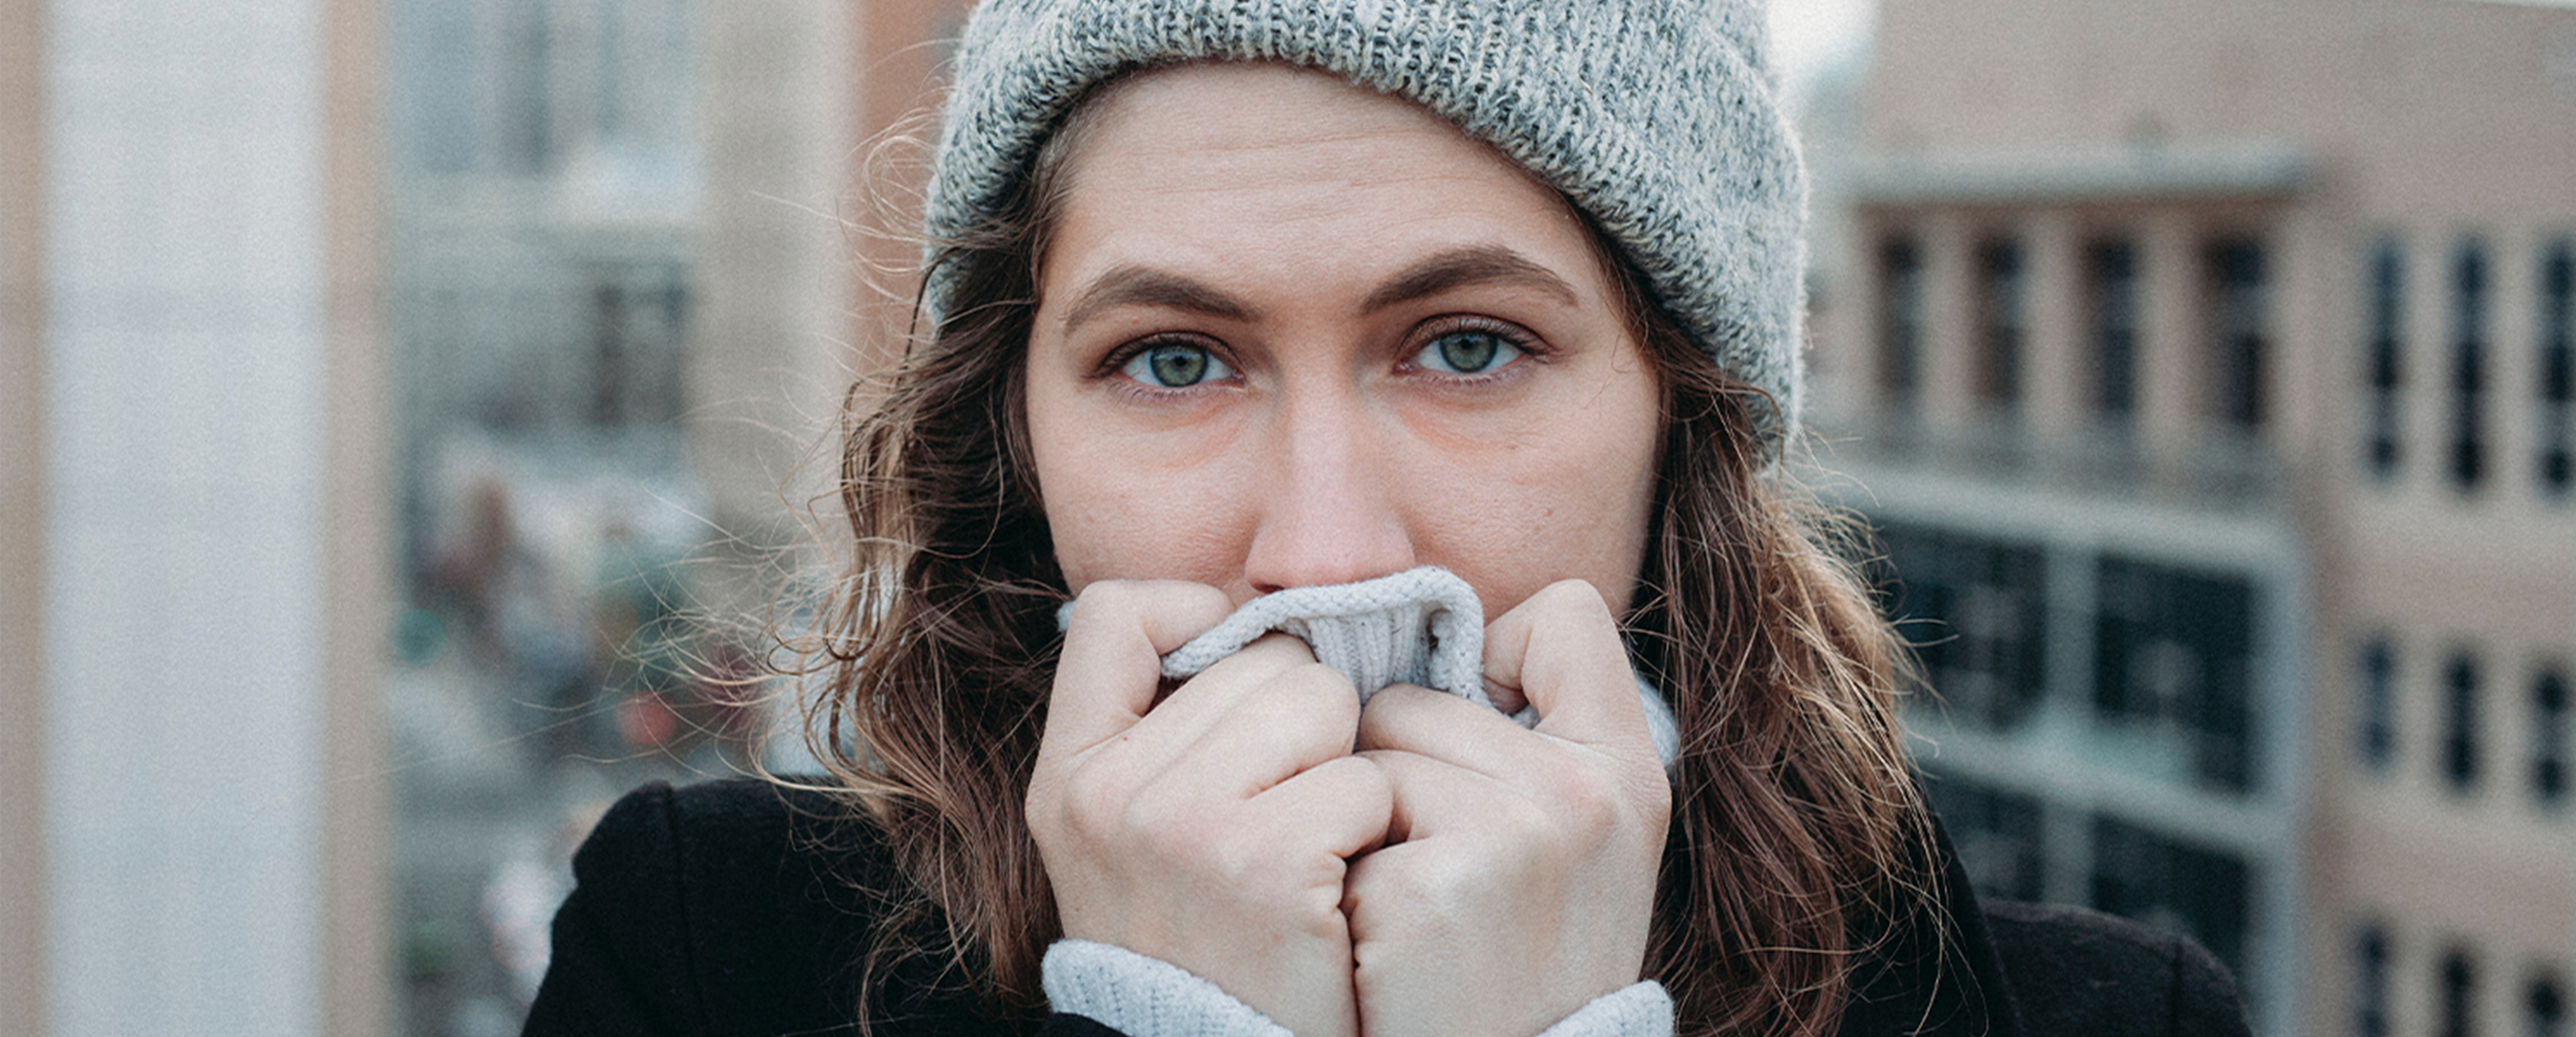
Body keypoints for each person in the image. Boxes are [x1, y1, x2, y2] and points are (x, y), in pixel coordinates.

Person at [525, 3, 2254, 1036]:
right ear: (1013, 432)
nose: (1327, 554)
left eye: (1466, 346)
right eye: (1174, 358)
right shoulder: (703, 954)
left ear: (1685, 415)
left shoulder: (2095, 1022)